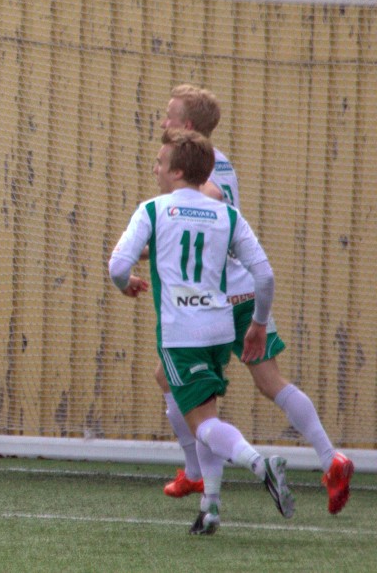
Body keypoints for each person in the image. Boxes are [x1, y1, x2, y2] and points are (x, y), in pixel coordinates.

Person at [153, 84, 353, 515]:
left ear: (188, 125)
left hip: (215, 300)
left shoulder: (198, 173)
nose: (163, 121)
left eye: (170, 115)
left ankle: (196, 474)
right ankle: (330, 459)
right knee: (269, 382)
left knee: (177, 383)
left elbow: (211, 200)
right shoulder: (218, 160)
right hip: (245, 291)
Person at [110, 127, 295, 535]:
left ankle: (259, 464)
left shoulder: (152, 210)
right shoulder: (227, 215)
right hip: (219, 327)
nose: (155, 168)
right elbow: (265, 276)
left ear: (177, 172)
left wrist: (125, 284)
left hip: (181, 334)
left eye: (160, 162)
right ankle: (209, 507)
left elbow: (118, 265)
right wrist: (258, 323)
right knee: (206, 416)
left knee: (204, 425)